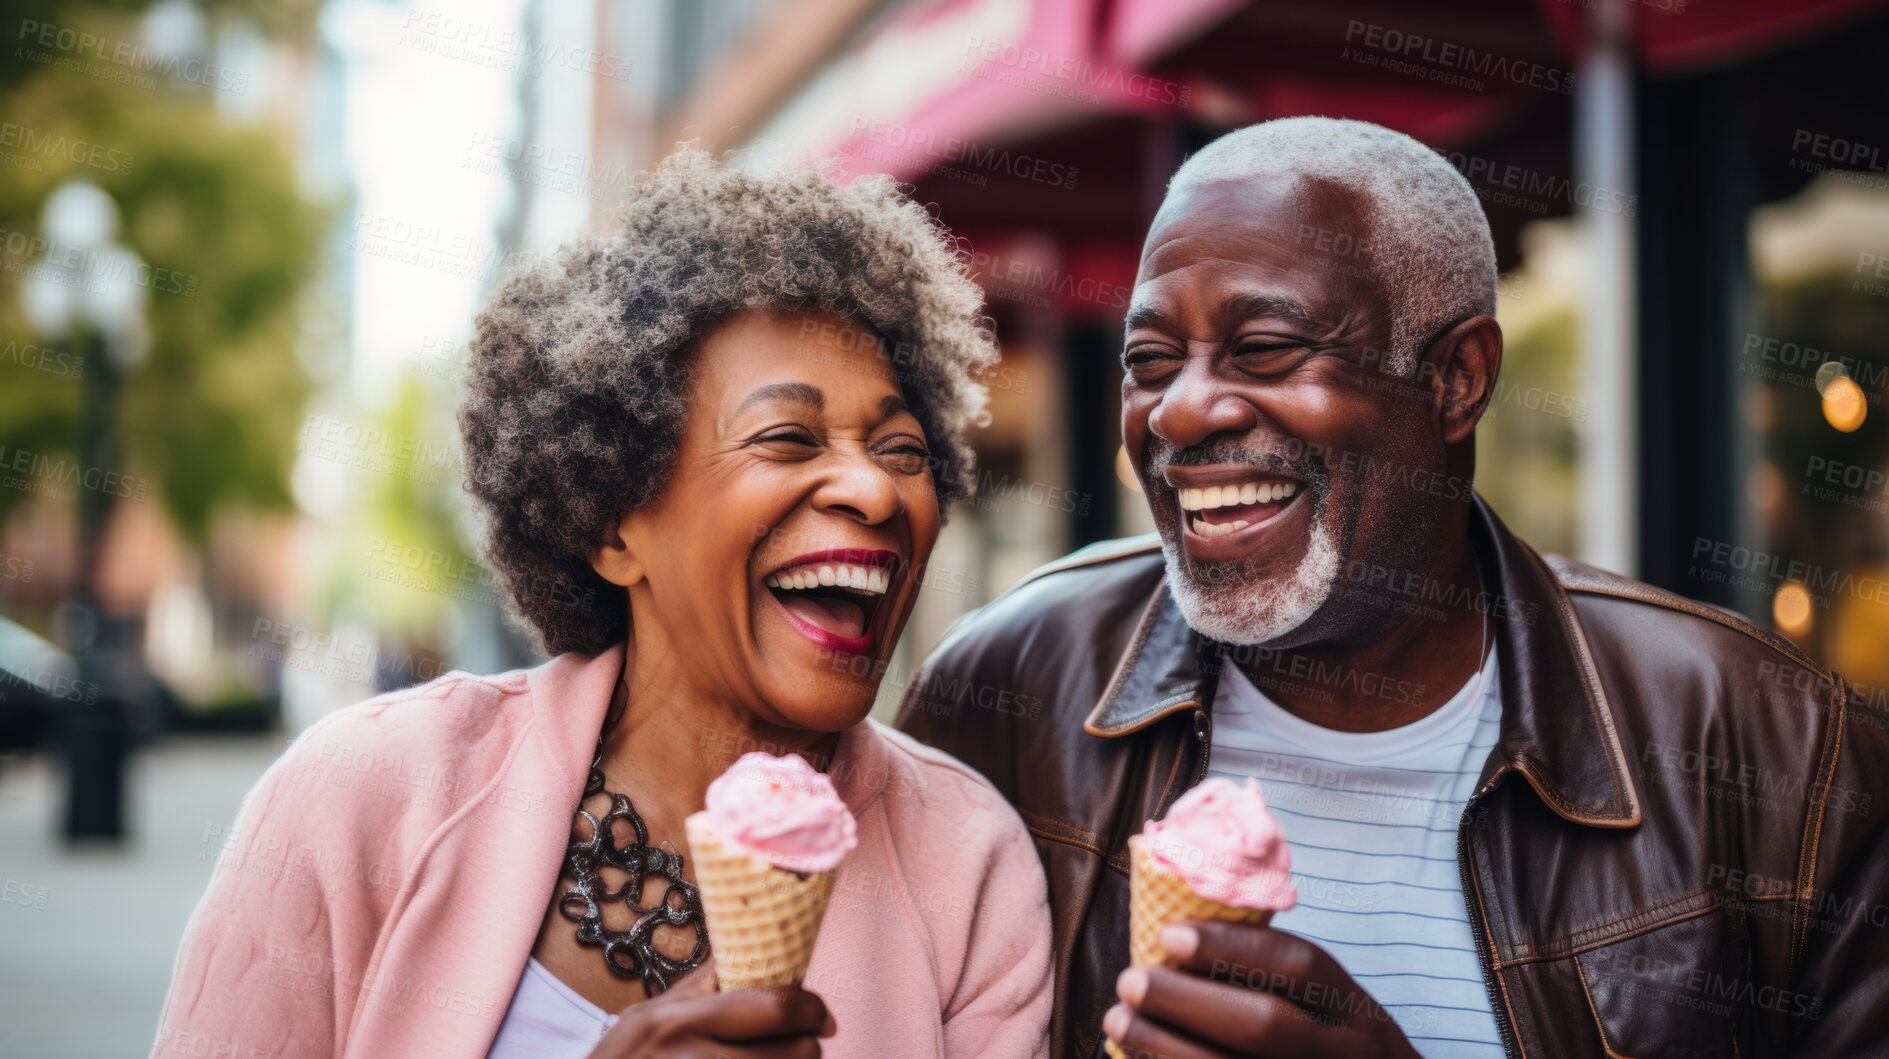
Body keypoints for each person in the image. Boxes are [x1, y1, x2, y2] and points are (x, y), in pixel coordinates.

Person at [896, 116, 1889, 1057]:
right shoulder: (1006, 695)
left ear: (1455, 379)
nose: (1181, 412)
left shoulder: (1774, 748)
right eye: (1148, 362)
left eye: (1264, 348)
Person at [152, 149, 1053, 1059]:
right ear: (614, 526)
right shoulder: (362, 796)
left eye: (902, 449)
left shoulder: (969, 863)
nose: (874, 489)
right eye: (787, 438)